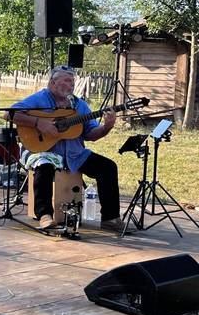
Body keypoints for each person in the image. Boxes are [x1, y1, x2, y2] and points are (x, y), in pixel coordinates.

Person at [9, 65, 127, 232]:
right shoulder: (40, 98)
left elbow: (91, 134)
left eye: (72, 81)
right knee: (44, 165)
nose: (71, 85)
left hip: (75, 153)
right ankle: (44, 215)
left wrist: (107, 127)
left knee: (107, 167)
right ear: (52, 82)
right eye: (66, 81)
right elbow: (10, 114)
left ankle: (110, 218)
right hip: (43, 150)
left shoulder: (80, 106)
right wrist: (38, 122)